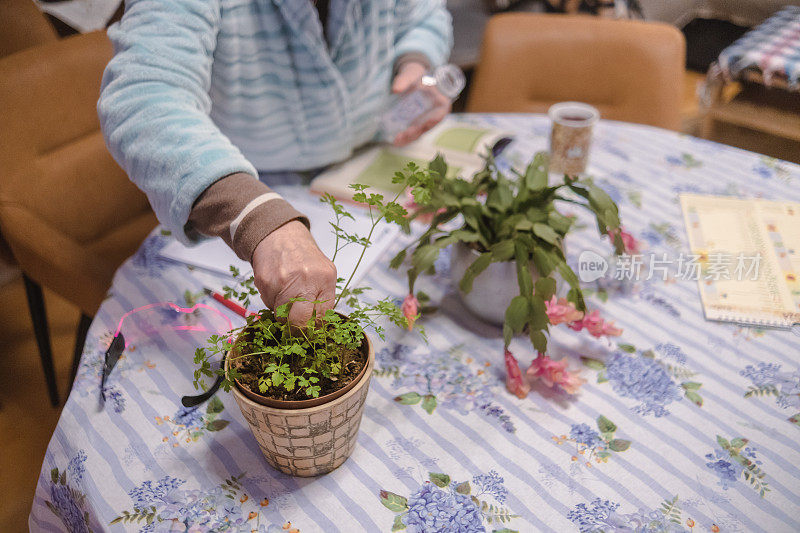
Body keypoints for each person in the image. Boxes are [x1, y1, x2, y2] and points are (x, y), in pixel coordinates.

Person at [98, 0, 453, 324]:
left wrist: (416, 61)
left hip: (366, 158)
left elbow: (424, 15)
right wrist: (257, 217)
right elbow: (144, 97)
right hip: (245, 187)